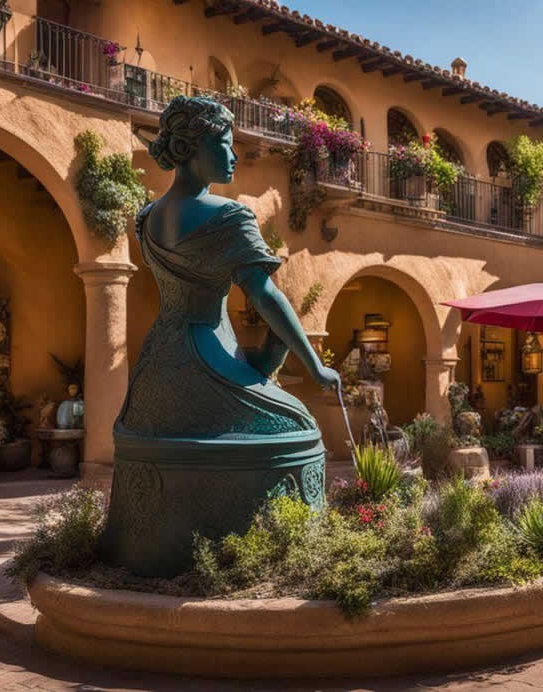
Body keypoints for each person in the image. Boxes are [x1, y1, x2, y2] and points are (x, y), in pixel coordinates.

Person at [104, 97, 339, 577]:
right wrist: (313, 365)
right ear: (192, 149)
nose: (234, 156)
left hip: (155, 369)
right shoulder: (230, 217)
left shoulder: (147, 216)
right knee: (299, 426)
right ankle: (260, 555)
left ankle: (141, 547)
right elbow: (266, 296)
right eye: (226, 145)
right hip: (206, 363)